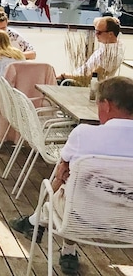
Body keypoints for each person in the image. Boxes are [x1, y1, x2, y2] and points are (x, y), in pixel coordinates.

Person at [8, 76, 133, 275]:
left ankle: (35, 222)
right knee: (77, 186)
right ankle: (56, 242)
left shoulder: (83, 134)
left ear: (106, 105)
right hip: (128, 225)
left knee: (68, 187)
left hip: (81, 219)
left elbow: (62, 171)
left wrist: (62, 175)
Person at [59, 16, 124, 81]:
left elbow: (92, 76)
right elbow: (96, 21)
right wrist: (111, 20)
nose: (96, 35)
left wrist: (65, 76)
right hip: (77, 75)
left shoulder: (112, 54)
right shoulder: (110, 44)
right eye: (95, 31)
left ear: (110, 34)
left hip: (81, 81)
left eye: (98, 32)